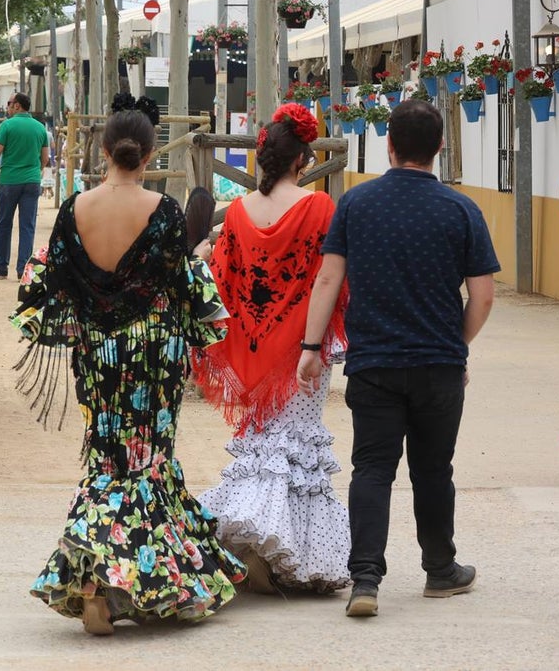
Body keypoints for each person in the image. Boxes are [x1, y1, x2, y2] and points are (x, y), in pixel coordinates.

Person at [11, 97, 245, 636]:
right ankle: (148, 579)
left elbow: (47, 279)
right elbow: (188, 285)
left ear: (102, 148)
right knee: (148, 461)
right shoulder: (163, 211)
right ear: (150, 151)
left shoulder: (75, 208)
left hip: (99, 353)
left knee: (106, 458)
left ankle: (95, 581)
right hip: (155, 352)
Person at [296, 99, 499, 618]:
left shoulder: (357, 205)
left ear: (389, 145)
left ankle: (365, 580)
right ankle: (439, 570)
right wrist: (458, 344)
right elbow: (483, 296)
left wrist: (312, 348)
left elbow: (328, 279)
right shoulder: (461, 209)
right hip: (438, 365)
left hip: (374, 362)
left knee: (372, 469)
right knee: (434, 469)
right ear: (440, 148)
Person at [190, 104, 350, 594]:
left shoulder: (239, 211)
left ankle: (256, 543)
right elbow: (331, 276)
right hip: (303, 344)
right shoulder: (319, 207)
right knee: (297, 446)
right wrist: (314, 340)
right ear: (302, 160)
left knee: (263, 446)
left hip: (256, 347)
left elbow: (224, 278)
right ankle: (278, 548)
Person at [0, 92, 48, 279]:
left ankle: (1, 267)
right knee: (27, 225)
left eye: (9, 103)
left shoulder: (7, 126)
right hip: (32, 181)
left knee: (4, 223)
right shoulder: (40, 128)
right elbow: (45, 158)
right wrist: (35, 171)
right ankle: (22, 269)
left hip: (9, 180)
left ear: (17, 106)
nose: (7, 107)